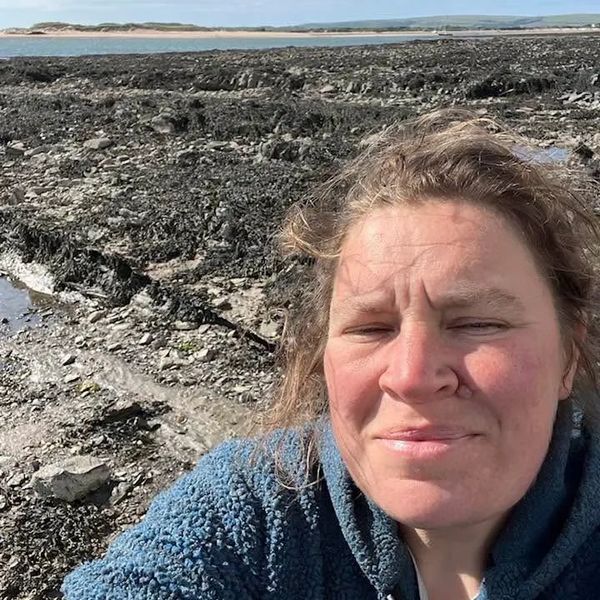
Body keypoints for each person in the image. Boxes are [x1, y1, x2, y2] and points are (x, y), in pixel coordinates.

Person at [62, 109, 600, 599]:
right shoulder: (260, 508)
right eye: (370, 328)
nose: (411, 377)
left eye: (478, 322)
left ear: (569, 353)